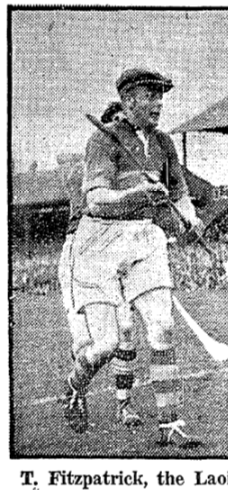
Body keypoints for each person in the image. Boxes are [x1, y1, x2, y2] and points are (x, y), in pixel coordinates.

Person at [62, 68, 204, 447]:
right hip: (100, 240)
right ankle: (75, 383)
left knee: (162, 325)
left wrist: (190, 218)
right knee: (107, 344)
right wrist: (137, 192)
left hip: (144, 235)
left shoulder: (163, 143)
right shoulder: (103, 139)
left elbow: (179, 194)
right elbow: (97, 200)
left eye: (161, 97)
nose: (159, 104)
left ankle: (170, 424)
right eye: (150, 96)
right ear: (128, 100)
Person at [57, 101, 144, 429]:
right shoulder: (87, 166)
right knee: (91, 345)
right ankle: (75, 388)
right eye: (118, 125)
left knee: (126, 331)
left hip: (114, 254)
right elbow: (98, 204)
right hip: (81, 255)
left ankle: (124, 405)